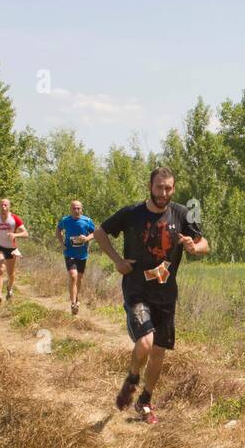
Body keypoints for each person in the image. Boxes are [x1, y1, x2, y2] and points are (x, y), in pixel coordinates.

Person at [92, 167, 209, 424]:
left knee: (158, 352)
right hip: (137, 290)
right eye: (159, 187)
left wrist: (194, 246)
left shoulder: (182, 213)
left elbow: (204, 244)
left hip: (166, 295)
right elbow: (100, 232)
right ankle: (133, 378)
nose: (163, 193)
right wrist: (117, 261)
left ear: (173, 189)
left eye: (168, 188)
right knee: (145, 342)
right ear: (150, 186)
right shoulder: (132, 213)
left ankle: (145, 401)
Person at [58, 200, 96, 315]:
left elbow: (95, 233)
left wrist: (87, 238)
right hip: (69, 253)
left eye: (78, 208)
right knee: (73, 276)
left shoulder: (87, 221)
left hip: (82, 255)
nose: (76, 210)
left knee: (79, 279)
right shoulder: (66, 220)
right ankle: (73, 303)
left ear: (81, 209)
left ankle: (76, 298)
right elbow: (58, 230)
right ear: (71, 209)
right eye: (74, 208)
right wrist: (61, 243)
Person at [0, 198, 28, 306]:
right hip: (0, 247)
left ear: (9, 206)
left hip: (11, 249)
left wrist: (15, 235)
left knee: (10, 273)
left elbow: (25, 233)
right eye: (1, 205)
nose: (3, 207)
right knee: (1, 268)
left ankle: (9, 289)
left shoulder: (15, 219)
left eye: (5, 205)